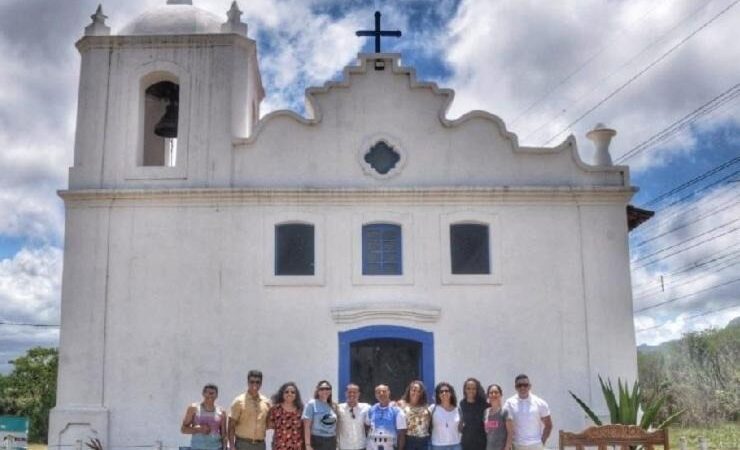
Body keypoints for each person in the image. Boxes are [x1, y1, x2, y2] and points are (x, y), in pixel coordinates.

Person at [503, 375, 552, 450]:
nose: (522, 387)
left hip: (536, 445)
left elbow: (548, 425)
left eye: (525, 385)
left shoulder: (540, 403)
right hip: (517, 445)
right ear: (515, 387)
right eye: (519, 385)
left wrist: (542, 442)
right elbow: (505, 424)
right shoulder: (509, 403)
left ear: (530, 386)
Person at [229, 370, 272, 450]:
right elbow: (231, 426)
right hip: (243, 444)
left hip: (260, 445)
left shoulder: (266, 403)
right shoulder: (239, 402)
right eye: (252, 382)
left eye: (257, 382)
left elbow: (269, 424)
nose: (254, 385)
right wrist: (231, 446)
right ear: (248, 382)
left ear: (261, 383)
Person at [181, 383, 227, 450]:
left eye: (213, 393)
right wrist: (198, 429)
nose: (210, 395)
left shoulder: (222, 411)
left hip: (216, 447)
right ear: (203, 393)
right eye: (208, 392)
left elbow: (224, 434)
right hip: (197, 447)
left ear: (217, 395)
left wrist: (225, 447)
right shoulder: (193, 408)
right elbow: (183, 429)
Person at [366, 384, 407, 450]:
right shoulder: (371, 409)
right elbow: (367, 426)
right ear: (375, 395)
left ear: (389, 392)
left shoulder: (397, 411)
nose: (381, 394)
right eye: (378, 392)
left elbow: (401, 434)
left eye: (384, 391)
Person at [268, 382, 305, 450]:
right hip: (279, 447)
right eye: (286, 392)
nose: (289, 394)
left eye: (292, 392)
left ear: (296, 395)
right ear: (282, 393)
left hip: (297, 447)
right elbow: (270, 425)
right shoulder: (275, 409)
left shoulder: (301, 410)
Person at [302, 380, 338, 450]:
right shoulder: (311, 404)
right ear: (318, 391)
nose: (325, 391)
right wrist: (307, 445)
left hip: (331, 440)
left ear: (330, 391)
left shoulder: (333, 406)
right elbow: (307, 426)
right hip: (317, 440)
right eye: (322, 389)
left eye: (327, 388)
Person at [397, 380, 431, 450]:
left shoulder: (426, 407)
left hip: (424, 440)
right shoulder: (402, 405)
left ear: (422, 393)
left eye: (419, 391)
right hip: (409, 440)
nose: (416, 393)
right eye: (414, 390)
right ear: (409, 391)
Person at [338, 383, 371, 450]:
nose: (352, 394)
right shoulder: (338, 408)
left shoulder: (366, 407)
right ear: (345, 393)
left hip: (361, 446)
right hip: (344, 447)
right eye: (349, 392)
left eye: (354, 392)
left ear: (358, 394)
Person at [429, 382, 462, 450]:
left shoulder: (457, 409)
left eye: (446, 391)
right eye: (441, 392)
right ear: (438, 395)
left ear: (451, 393)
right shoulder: (433, 408)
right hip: (438, 445)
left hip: (455, 445)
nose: (444, 393)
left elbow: (461, 426)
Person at [459, 378, 487, 450]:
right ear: (465, 390)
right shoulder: (462, 404)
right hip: (466, 441)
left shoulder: (483, 404)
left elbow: (490, 420)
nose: (471, 390)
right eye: (468, 388)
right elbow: (461, 422)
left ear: (477, 390)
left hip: (481, 441)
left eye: (473, 388)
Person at [484, 384, 512, 450]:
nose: (493, 394)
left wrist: (507, 448)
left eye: (496, 392)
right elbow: (488, 432)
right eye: (491, 393)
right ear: (488, 396)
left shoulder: (505, 412)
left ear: (500, 395)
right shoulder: (486, 412)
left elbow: (510, 433)